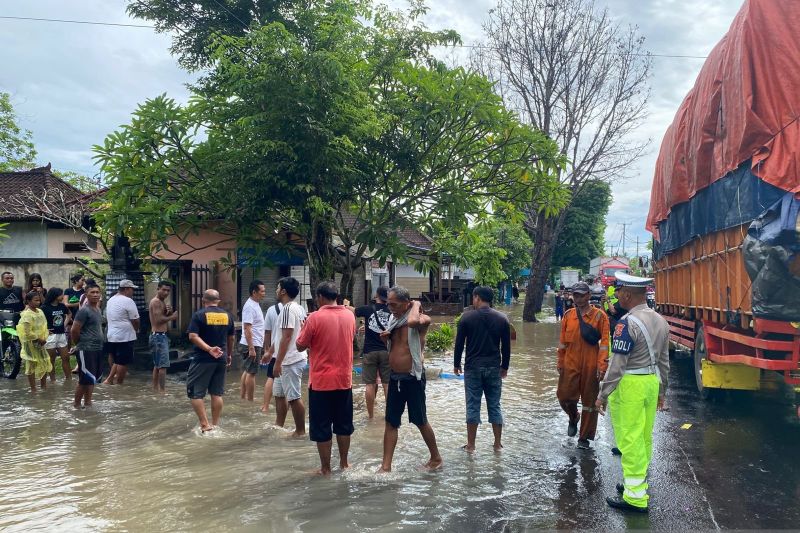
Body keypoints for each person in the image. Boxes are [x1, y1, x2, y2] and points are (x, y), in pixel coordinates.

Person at [596, 273, 670, 513]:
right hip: (651, 383)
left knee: (630, 439)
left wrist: (603, 394)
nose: (616, 296)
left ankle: (636, 498)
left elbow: (617, 365)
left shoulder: (626, 323)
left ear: (627, 295)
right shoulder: (661, 320)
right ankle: (635, 485)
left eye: (619, 292)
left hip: (632, 385)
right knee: (644, 437)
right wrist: (662, 390)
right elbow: (664, 362)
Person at [295, 281, 357, 475]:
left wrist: (303, 327)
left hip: (321, 382)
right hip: (344, 380)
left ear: (320, 297)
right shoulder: (350, 316)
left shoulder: (314, 317)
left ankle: (325, 468)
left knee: (322, 427)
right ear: (336, 296)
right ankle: (345, 463)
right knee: (344, 425)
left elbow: (299, 345)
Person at [378, 286, 442, 472]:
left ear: (407, 303)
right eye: (388, 304)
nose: (390, 308)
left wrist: (417, 303)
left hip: (413, 377)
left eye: (394, 304)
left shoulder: (422, 319)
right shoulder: (393, 320)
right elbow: (394, 346)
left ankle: (436, 458)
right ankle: (385, 466)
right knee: (391, 422)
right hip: (395, 377)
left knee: (420, 420)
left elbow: (413, 321)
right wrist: (385, 339)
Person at [453, 286, 511, 452]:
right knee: (495, 405)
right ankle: (497, 444)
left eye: (473, 297)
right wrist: (505, 367)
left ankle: (471, 446)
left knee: (472, 405)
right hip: (494, 367)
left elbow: (459, 344)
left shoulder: (466, 317)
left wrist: (456, 364)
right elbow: (506, 347)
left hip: (473, 367)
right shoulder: (502, 318)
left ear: (477, 298)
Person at [556, 281, 610, 449]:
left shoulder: (600, 316)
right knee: (564, 397)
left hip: (591, 364)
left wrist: (602, 366)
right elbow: (563, 342)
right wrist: (560, 361)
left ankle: (584, 438)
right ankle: (573, 417)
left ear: (588, 295)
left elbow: (604, 343)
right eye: (576, 295)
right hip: (570, 363)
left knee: (589, 402)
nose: (578, 298)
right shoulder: (568, 316)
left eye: (581, 295)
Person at [186, 289, 235, 432]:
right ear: (218, 301)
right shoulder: (228, 316)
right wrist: (229, 355)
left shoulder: (199, 315)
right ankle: (215, 424)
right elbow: (231, 338)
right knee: (216, 393)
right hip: (221, 358)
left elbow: (193, 336)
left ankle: (204, 425)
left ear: (203, 301)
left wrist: (208, 349)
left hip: (203, 359)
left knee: (195, 393)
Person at [271, 277, 308, 437]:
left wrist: (277, 363)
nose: (276, 290)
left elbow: (287, 337)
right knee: (279, 394)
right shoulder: (298, 308)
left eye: (278, 287)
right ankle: (279, 425)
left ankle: (300, 431)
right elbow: (281, 336)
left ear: (284, 291)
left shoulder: (287, 309)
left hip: (290, 360)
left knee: (293, 397)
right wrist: (269, 352)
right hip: (290, 357)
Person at [353, 286, 391, 419]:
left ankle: (370, 416)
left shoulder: (368, 308)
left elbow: (352, 310)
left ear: (376, 295)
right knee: (387, 384)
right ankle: (389, 415)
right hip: (386, 351)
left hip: (369, 351)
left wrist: (345, 305)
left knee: (370, 384)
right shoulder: (392, 310)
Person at [71, 285, 104, 408]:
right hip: (86, 349)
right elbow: (74, 330)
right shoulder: (84, 310)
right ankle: (76, 405)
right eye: (92, 292)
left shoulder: (97, 309)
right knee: (84, 379)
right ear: (86, 294)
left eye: (97, 292)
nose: (95, 294)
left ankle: (88, 402)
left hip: (97, 348)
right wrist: (79, 344)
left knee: (92, 378)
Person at [104, 280, 140, 385]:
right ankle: (119, 385)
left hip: (112, 335)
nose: (133, 292)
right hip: (125, 336)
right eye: (132, 289)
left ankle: (109, 379)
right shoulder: (128, 301)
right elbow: (136, 320)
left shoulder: (111, 299)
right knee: (123, 362)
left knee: (117, 360)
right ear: (126, 289)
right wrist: (136, 330)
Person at [18, 291, 53, 392]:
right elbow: (26, 331)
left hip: (41, 343)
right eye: (36, 300)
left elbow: (43, 325)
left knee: (45, 362)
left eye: (39, 300)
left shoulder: (40, 311)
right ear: (28, 301)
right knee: (31, 364)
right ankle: (33, 389)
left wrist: (46, 333)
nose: (38, 302)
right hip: (31, 343)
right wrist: (38, 338)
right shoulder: (27, 315)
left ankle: (43, 386)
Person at [239, 280, 266, 402]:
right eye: (262, 291)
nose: (264, 293)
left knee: (247, 370)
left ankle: (243, 397)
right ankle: (250, 400)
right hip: (252, 343)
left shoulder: (255, 304)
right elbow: (247, 328)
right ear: (254, 292)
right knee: (252, 373)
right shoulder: (250, 306)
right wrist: (251, 348)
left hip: (253, 342)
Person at [149, 281, 178, 393]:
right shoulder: (156, 302)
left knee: (157, 365)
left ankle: (155, 390)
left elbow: (161, 318)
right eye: (164, 290)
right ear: (158, 289)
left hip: (159, 336)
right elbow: (158, 320)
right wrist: (172, 317)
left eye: (168, 291)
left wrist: (168, 313)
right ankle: (162, 392)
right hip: (158, 337)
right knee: (163, 366)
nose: (166, 292)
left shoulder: (161, 302)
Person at [42, 287, 72, 382]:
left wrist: (64, 324)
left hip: (61, 335)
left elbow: (69, 314)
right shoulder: (44, 307)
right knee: (51, 360)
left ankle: (69, 379)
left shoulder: (62, 306)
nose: (63, 296)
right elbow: (39, 321)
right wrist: (44, 330)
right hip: (50, 336)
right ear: (55, 296)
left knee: (66, 358)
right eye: (61, 294)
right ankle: (53, 381)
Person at [259, 299, 283, 414]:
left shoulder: (271, 310)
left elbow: (267, 332)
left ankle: (265, 406)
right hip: (291, 353)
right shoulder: (298, 309)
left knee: (271, 377)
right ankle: (288, 406)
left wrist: (267, 350)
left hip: (275, 351)